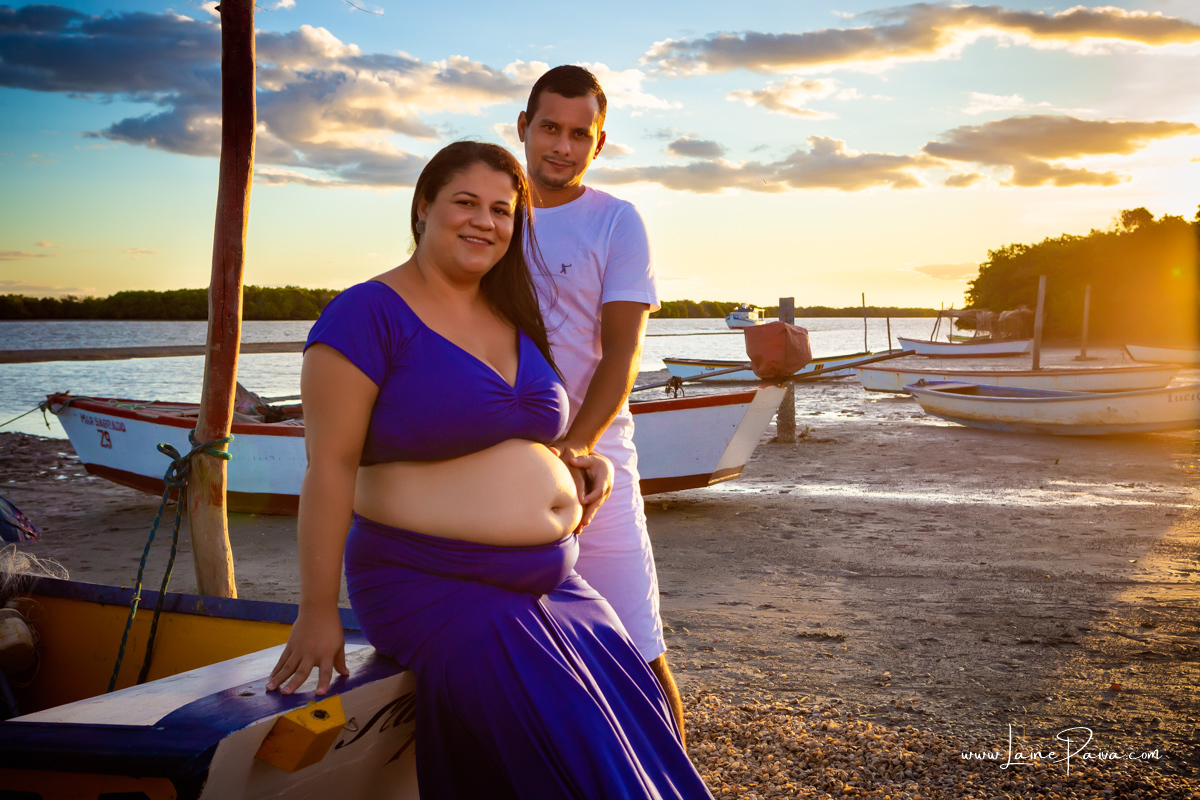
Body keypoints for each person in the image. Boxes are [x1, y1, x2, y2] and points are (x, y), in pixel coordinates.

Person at [265, 141, 712, 799]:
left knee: (637, 720)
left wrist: (579, 466)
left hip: (550, 584)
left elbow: (517, 439)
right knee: (580, 753)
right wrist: (315, 610)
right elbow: (328, 468)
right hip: (430, 581)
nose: (485, 222)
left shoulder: (510, 314)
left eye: (503, 210)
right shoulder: (365, 315)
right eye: (466, 203)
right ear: (423, 207)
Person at [517, 66, 685, 740]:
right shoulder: (494, 214)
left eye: (578, 134)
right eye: (549, 129)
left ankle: (675, 778)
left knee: (635, 643)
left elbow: (622, 355)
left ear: (599, 142)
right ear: (522, 128)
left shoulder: (615, 220)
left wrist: (574, 447)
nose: (562, 145)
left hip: (595, 459)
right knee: (520, 642)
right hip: (501, 466)